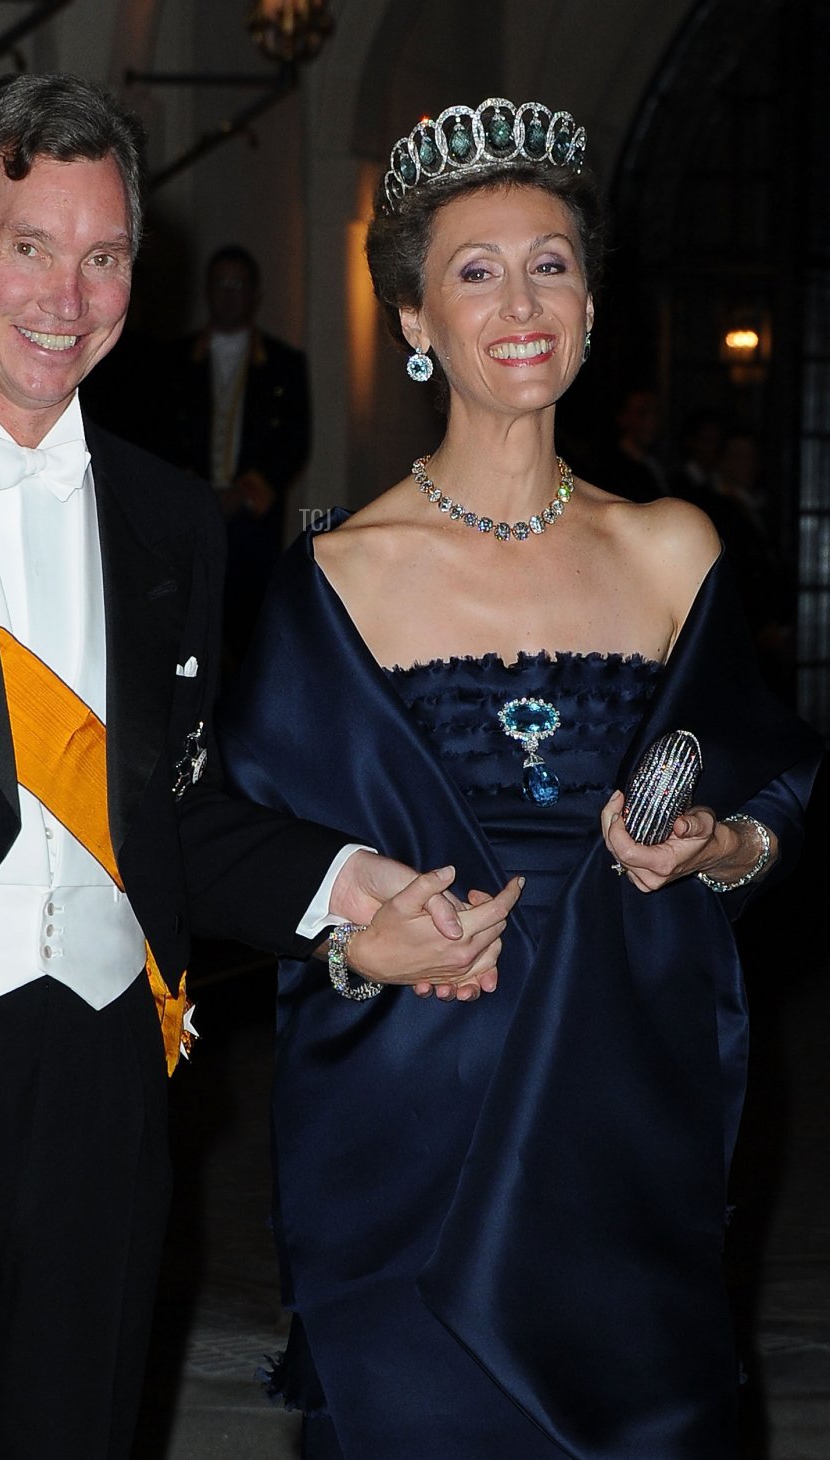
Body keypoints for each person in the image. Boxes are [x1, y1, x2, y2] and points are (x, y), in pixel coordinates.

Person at [0, 74, 522, 1460]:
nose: (68, 295)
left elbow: (172, 816)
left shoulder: (173, 519)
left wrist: (356, 889)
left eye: (104, 255)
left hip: (102, 1097)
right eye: (30, 247)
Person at [215, 97, 822, 1459]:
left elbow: (774, 798)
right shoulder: (339, 577)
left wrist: (719, 850)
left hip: (623, 1092)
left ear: (591, 303)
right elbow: (249, 858)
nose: (521, 301)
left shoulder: (677, 548)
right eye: (475, 272)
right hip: (413, 1098)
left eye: (551, 263)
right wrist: (364, 948)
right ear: (418, 324)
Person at [157, 244, 312, 672]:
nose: (228, 293)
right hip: (188, 516)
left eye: (237, 284)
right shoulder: (171, 362)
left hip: (253, 522)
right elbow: (158, 436)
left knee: (250, 638)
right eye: (220, 284)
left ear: (255, 294)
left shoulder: (285, 364)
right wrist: (196, 492)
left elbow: (295, 441)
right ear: (206, 291)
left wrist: (244, 492)